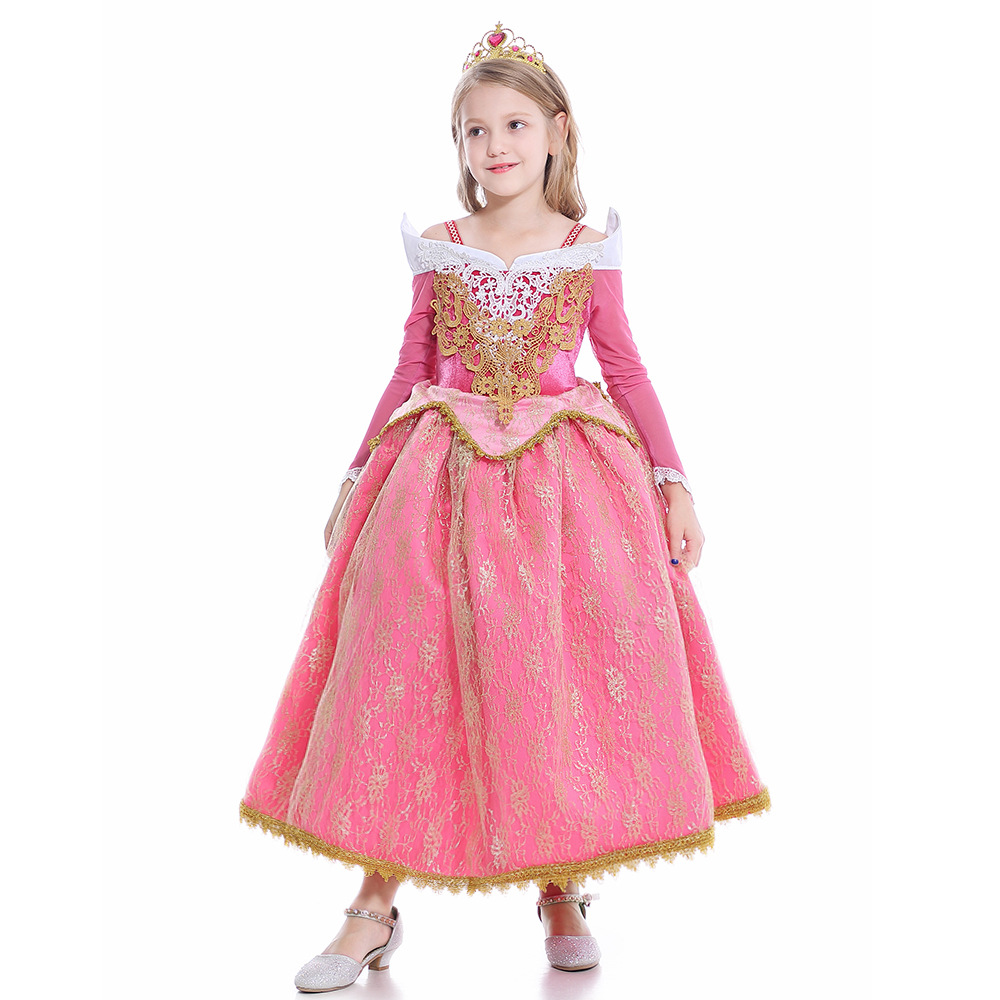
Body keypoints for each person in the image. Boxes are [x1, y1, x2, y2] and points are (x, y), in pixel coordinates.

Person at [239, 22, 771, 991]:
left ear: (558, 130)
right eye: (474, 130)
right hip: (437, 480)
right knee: (408, 662)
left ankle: (561, 886)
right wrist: (354, 474)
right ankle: (373, 904)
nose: (495, 146)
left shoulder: (587, 247)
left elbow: (624, 367)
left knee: (550, 666)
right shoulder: (441, 248)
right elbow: (410, 364)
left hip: (568, 488)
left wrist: (674, 482)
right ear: (459, 145)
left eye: (515, 124)